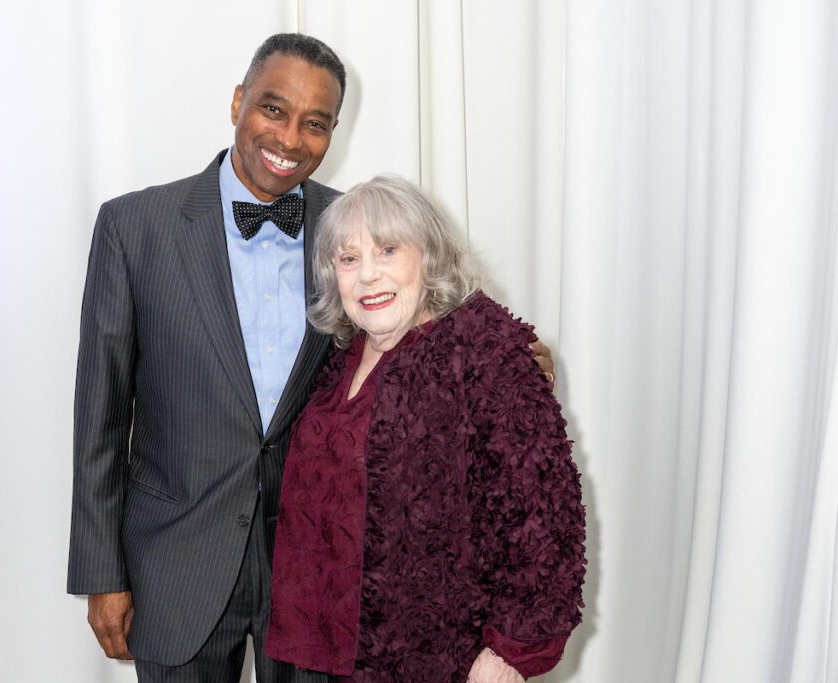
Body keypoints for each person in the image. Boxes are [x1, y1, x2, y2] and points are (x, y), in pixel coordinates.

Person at [68, 33, 556, 682]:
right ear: (239, 101)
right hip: (175, 560)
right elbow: (98, 420)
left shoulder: (353, 233)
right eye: (274, 109)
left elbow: (432, 310)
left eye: (316, 123)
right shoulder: (135, 229)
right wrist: (103, 574)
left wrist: (511, 355)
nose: (291, 138)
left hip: (318, 571)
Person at [264, 175, 585, 682]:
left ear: (429, 257)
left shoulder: (484, 350)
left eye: (388, 251)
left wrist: (510, 652)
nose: (368, 276)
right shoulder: (341, 357)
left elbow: (543, 514)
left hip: (433, 659)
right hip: (318, 654)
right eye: (349, 260)